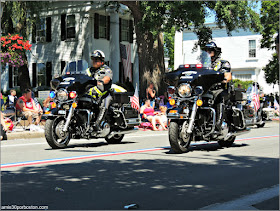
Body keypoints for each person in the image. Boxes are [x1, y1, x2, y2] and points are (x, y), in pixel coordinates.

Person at [203, 41, 232, 130]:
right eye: (206, 50)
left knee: (219, 98)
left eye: (210, 50)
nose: (208, 52)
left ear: (215, 52)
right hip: (207, 89)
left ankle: (218, 124)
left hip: (220, 89)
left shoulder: (223, 63)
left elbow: (228, 76)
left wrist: (224, 79)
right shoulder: (203, 65)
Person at [86, 50, 113, 132]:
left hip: (104, 94)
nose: (94, 61)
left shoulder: (106, 70)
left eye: (96, 60)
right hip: (91, 95)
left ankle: (97, 124)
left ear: (102, 61)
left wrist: (101, 81)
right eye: (93, 59)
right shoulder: (89, 70)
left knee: (103, 105)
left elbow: (107, 78)